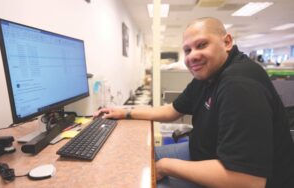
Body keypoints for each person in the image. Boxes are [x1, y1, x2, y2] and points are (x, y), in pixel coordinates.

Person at [93, 17, 294, 188]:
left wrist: (165, 166)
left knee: (142, 180)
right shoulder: (208, 74)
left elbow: (247, 180)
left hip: (231, 176)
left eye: (202, 45)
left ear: (227, 42)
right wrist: (125, 112)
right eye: (187, 50)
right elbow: (171, 111)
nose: (192, 56)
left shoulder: (239, 84)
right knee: (137, 158)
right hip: (204, 154)